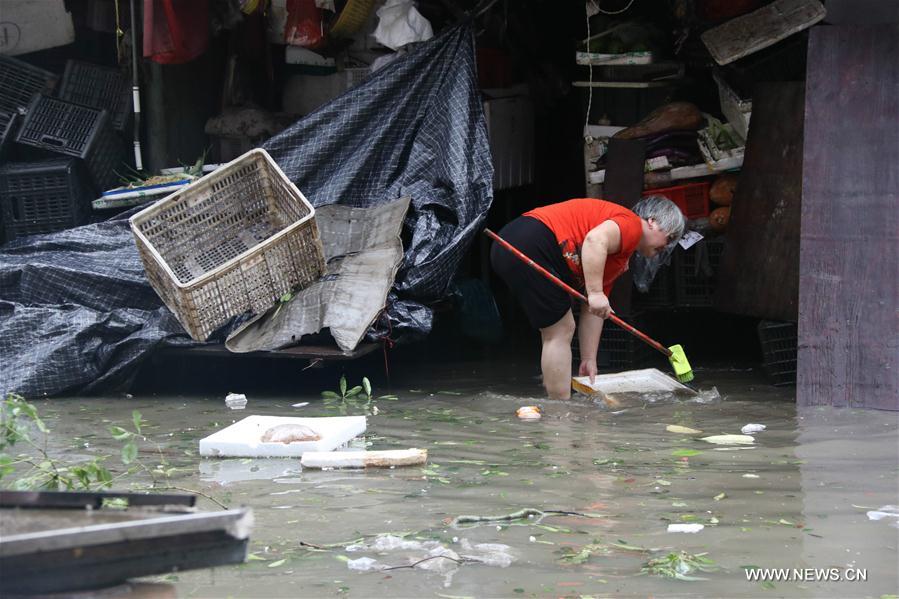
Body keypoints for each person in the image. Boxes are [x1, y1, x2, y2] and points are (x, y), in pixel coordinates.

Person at [490, 196, 685, 400]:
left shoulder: (618, 257)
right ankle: (560, 412)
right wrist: (595, 293)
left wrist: (589, 359)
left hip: (514, 242)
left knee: (557, 329)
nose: (666, 247)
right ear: (652, 221)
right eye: (669, 238)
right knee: (560, 330)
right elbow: (594, 240)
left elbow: (593, 310)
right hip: (530, 241)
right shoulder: (632, 224)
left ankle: (557, 400)